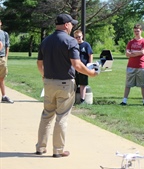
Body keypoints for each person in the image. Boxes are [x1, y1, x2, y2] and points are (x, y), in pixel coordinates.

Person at [36, 14, 98, 158]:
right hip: (65, 83)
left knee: (46, 115)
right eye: (71, 24)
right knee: (62, 116)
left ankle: (41, 147)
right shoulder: (70, 41)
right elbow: (76, 65)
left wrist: (44, 76)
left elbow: (39, 64)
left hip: (48, 82)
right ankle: (58, 150)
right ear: (66, 25)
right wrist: (91, 73)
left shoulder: (45, 41)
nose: (72, 26)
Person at [120, 24, 144, 106]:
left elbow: (143, 52)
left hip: (141, 66)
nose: (136, 33)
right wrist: (137, 53)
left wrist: (132, 53)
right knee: (128, 84)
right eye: (135, 31)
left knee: (143, 85)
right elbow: (127, 54)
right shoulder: (131, 42)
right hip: (131, 66)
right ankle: (124, 100)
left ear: (141, 31)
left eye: (138, 31)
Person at [73, 30, 93, 103]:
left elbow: (90, 55)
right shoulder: (73, 45)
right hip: (75, 67)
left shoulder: (86, 45)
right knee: (74, 83)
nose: (78, 38)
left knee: (83, 84)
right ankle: (72, 99)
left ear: (82, 36)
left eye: (79, 37)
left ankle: (82, 99)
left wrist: (90, 65)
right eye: (76, 37)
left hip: (84, 67)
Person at [0, 19, 14, 104]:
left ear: (1, 23)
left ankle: (4, 96)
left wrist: (6, 58)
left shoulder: (4, 34)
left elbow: (7, 46)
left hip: (2, 59)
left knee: (1, 78)